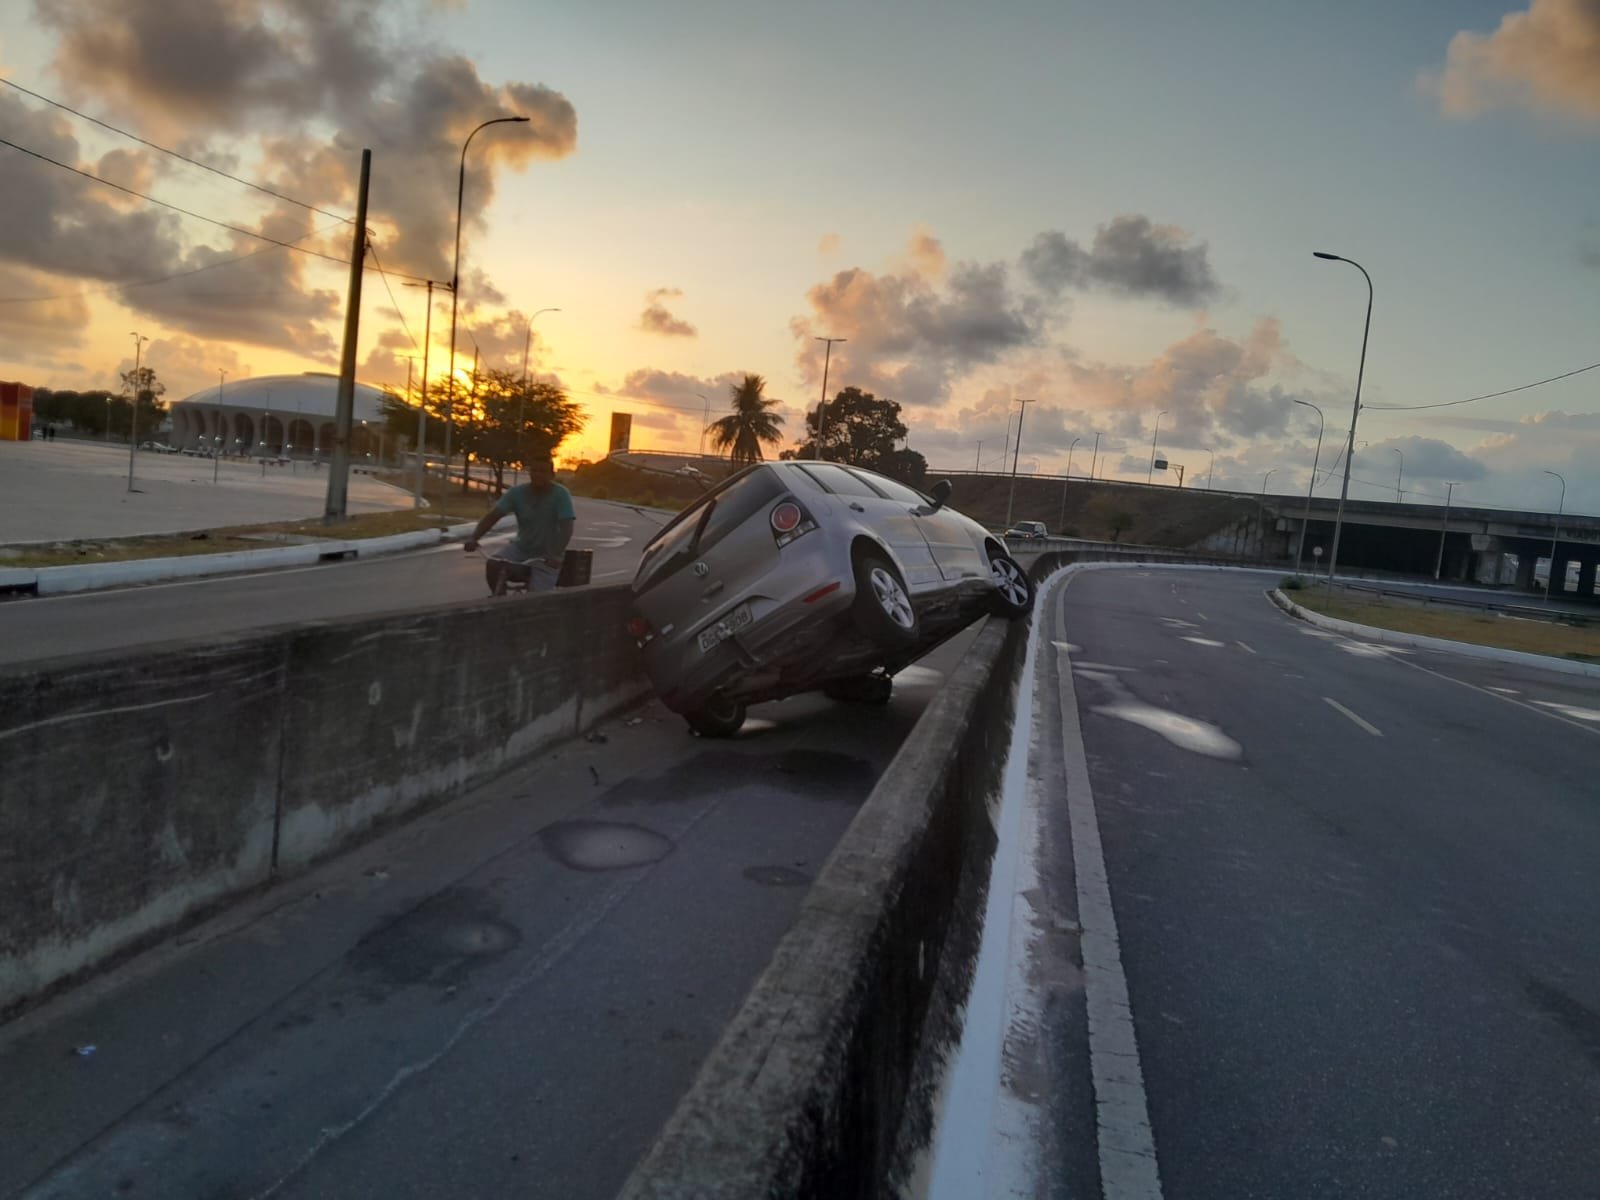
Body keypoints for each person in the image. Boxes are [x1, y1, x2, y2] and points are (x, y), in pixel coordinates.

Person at [463, 457, 576, 592]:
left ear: (552, 474)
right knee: (494, 564)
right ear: (529, 472)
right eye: (534, 470)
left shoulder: (560, 494)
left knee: (536, 600)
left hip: (547, 555)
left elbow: (566, 527)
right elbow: (493, 517)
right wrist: (474, 537)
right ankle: (499, 600)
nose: (538, 474)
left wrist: (556, 554)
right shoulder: (516, 493)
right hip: (521, 549)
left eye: (543, 471)